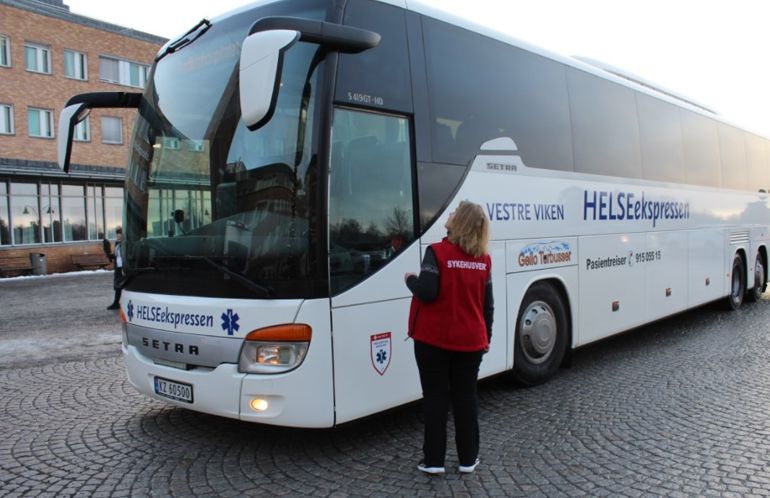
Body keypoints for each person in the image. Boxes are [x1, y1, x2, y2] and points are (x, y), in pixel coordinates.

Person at [404, 201, 493, 475]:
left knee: (435, 398)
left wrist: (410, 280)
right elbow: (487, 305)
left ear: (460, 221)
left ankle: (433, 461)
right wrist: (486, 338)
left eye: (455, 212)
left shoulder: (437, 253)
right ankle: (468, 459)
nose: (450, 214)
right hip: (471, 342)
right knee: (466, 399)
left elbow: (427, 292)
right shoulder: (484, 260)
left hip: (434, 341)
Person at [105, 227, 123, 310]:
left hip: (123, 267)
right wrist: (108, 254)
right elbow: (116, 256)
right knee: (117, 285)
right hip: (118, 267)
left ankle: (118, 302)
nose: (118, 236)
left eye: (120, 234)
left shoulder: (125, 244)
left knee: (121, 285)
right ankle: (116, 303)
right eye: (117, 234)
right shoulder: (117, 244)